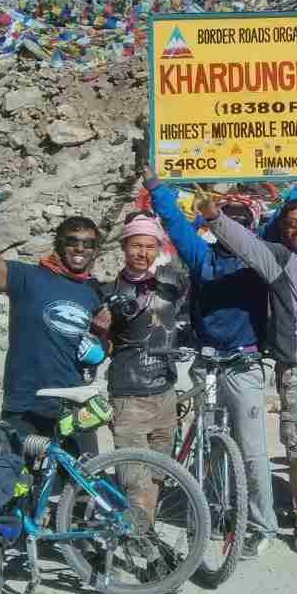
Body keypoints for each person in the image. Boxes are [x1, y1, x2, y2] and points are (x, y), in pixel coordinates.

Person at [143, 137, 297, 559]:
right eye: (228, 223)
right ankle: (210, 509)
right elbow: (173, 221)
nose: (235, 232)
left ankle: (261, 524)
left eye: (242, 224)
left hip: (244, 363)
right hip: (206, 364)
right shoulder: (202, 256)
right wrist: (154, 184)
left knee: (253, 449)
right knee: (207, 439)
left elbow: (287, 211)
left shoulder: (259, 255)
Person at [0, 190, 105, 594]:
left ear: (95, 251)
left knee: (87, 484)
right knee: (10, 488)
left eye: (88, 244)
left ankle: (82, 550)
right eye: (72, 241)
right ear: (60, 244)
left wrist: (101, 347)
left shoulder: (92, 292)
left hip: (71, 403)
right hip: (24, 400)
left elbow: (107, 337)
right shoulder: (27, 277)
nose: (79, 249)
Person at [196, 184, 297, 556]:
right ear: (282, 229)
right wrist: (214, 217)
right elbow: (245, 243)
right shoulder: (276, 259)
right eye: (291, 225)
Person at [95, 211, 188, 522]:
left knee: (158, 473)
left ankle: (141, 531)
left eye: (150, 246)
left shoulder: (170, 285)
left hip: (165, 393)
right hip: (128, 395)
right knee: (134, 481)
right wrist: (100, 329)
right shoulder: (108, 292)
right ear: (124, 246)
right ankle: (141, 541)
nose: (142, 253)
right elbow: (101, 349)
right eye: (136, 245)